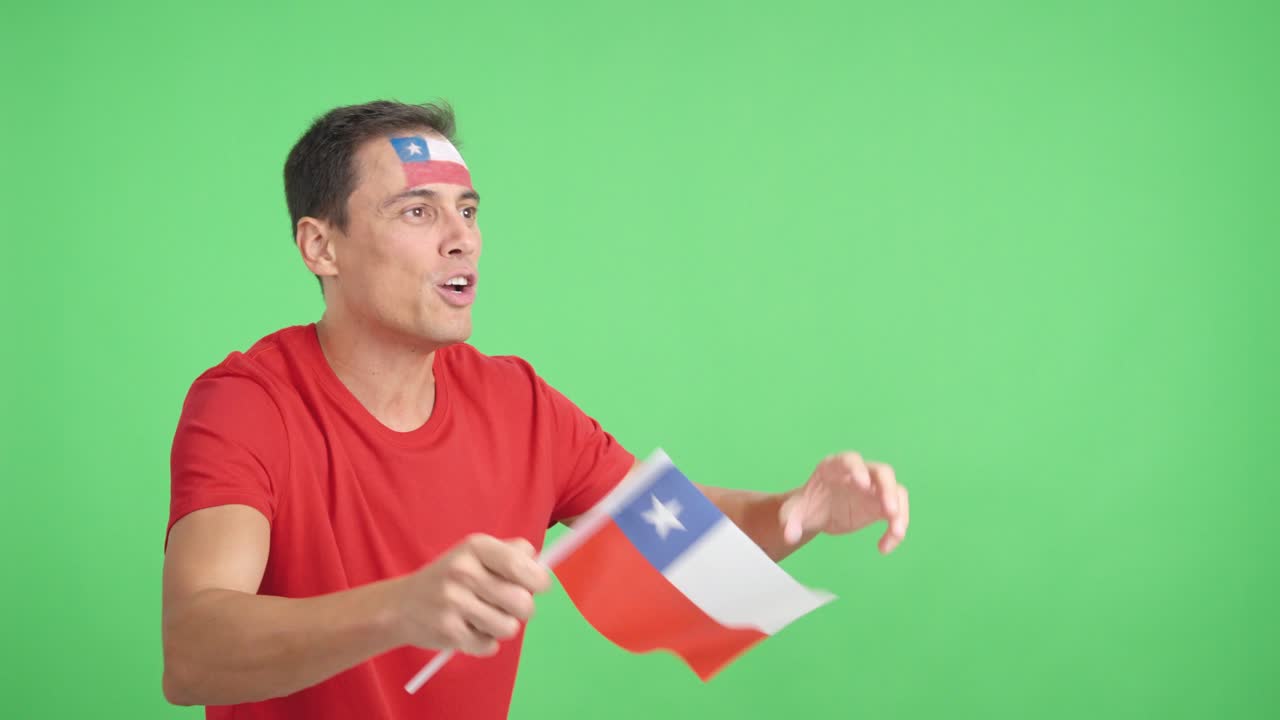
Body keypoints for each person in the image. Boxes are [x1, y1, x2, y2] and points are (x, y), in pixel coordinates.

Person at [160, 100, 911, 720]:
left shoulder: (517, 403)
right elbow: (193, 651)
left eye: (469, 211)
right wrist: (401, 609)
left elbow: (673, 539)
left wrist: (797, 511)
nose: (462, 240)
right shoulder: (247, 403)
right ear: (321, 247)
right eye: (417, 212)